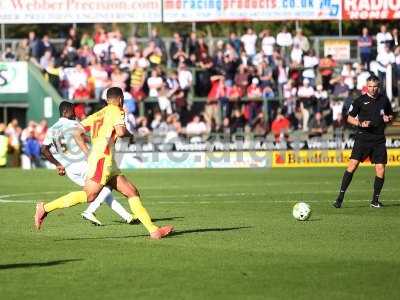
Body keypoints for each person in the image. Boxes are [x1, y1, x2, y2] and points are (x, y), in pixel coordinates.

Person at [35, 88, 173, 239]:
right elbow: (120, 132)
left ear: (107, 100)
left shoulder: (99, 113)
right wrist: (131, 135)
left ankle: (154, 231)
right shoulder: (117, 110)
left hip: (107, 160)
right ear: (120, 99)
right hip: (103, 160)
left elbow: (76, 132)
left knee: (132, 191)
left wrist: (89, 152)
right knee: (90, 196)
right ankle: (45, 208)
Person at [38, 101, 135, 226]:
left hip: (70, 170)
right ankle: (88, 211)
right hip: (83, 164)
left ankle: (127, 216)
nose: (75, 113)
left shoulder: (52, 129)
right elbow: (85, 137)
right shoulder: (73, 124)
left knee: (100, 190)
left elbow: (44, 149)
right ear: (66, 111)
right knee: (109, 180)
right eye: (73, 110)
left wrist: (57, 164)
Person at [333, 75, 393, 208]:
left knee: (381, 169)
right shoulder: (360, 100)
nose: (372, 89)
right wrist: (360, 123)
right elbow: (349, 118)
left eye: (375, 86)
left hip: (378, 139)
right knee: (352, 166)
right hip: (363, 138)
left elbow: (390, 115)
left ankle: (375, 201)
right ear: (367, 86)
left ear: (379, 86)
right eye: (370, 86)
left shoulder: (384, 100)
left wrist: (389, 118)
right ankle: (340, 198)